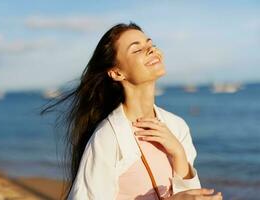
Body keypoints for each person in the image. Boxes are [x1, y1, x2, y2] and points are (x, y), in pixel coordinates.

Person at [41, 22, 223, 200]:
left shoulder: (176, 126)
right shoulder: (107, 138)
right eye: (137, 49)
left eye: (151, 44)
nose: (151, 50)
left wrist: (178, 153)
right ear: (117, 73)